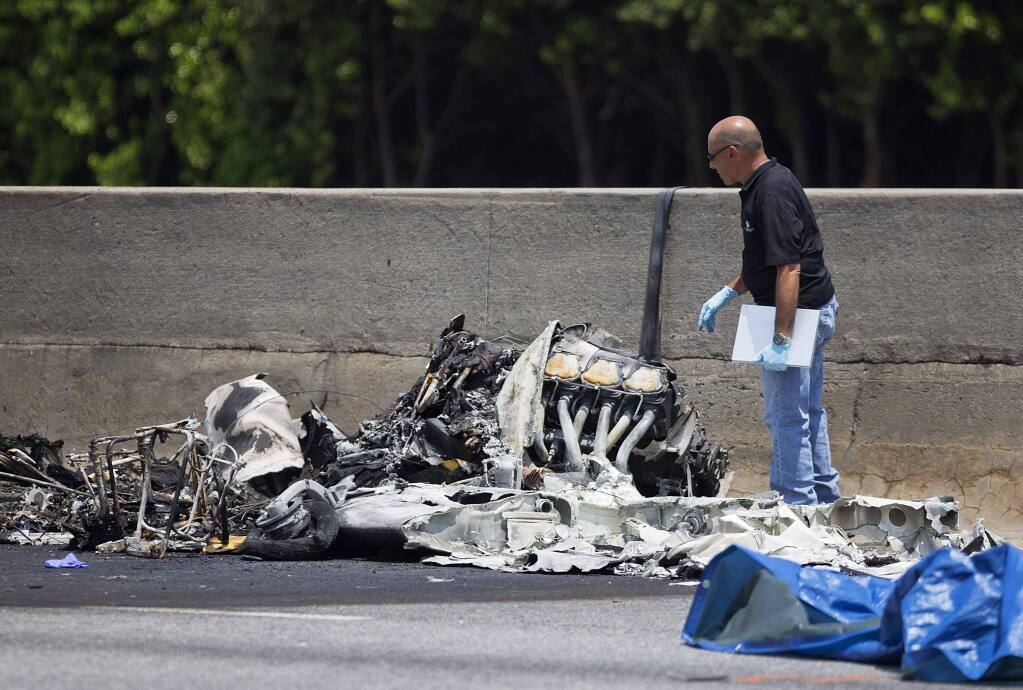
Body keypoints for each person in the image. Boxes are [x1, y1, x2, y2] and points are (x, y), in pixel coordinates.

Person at [696, 115, 840, 505]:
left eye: (712, 157)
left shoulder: (771, 192)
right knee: (807, 411)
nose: (711, 166)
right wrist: (728, 292)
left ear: (732, 152)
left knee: (786, 417)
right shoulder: (767, 183)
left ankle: (796, 506)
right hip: (811, 308)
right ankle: (825, 500)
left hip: (798, 316)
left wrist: (781, 339)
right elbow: (765, 261)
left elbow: (789, 267)